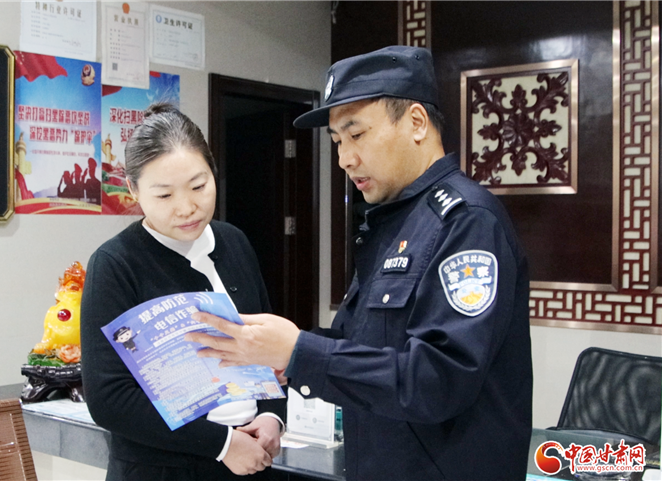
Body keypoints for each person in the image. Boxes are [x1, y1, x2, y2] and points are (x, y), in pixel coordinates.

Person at [187, 46, 533, 481]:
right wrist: (285, 353)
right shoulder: (394, 221)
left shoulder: (466, 221)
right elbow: (369, 345)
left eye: (357, 135)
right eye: (337, 141)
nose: (345, 158)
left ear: (416, 123)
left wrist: (301, 352)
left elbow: (438, 380)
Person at [81, 102, 286, 481]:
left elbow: (266, 350)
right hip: (163, 470)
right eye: (164, 195)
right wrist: (222, 444)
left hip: (253, 459)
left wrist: (273, 416)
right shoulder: (114, 264)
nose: (187, 208)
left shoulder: (234, 242)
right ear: (133, 189)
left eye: (198, 186)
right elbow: (110, 399)